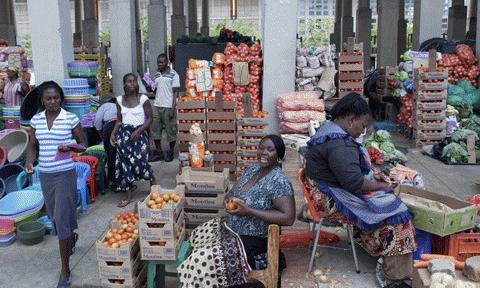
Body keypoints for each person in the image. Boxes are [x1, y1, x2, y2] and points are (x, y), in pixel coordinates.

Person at [304, 93, 416, 288]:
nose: (362, 131)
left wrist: (373, 178)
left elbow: (348, 173)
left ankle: (382, 251)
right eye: (362, 126)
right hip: (328, 199)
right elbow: (353, 182)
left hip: (323, 189)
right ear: (351, 119)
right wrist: (380, 185)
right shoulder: (339, 143)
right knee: (399, 215)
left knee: (385, 201)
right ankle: (398, 279)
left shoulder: (329, 132)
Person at [179, 135, 296, 288]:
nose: (263, 153)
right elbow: (232, 193)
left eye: (270, 149)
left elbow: (288, 218)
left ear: (278, 155)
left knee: (200, 260)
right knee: (196, 237)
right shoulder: (252, 170)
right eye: (261, 148)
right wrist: (228, 201)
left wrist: (250, 211)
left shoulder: (278, 181)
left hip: (252, 240)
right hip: (230, 228)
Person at [25, 81, 86, 288]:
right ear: (42, 100)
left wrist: (69, 147)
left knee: (60, 219)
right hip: (46, 177)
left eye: (56, 97)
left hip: (64, 176)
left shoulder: (70, 118)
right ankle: (72, 237)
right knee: (56, 220)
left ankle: (65, 270)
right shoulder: (36, 120)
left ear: (61, 98)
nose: (53, 101)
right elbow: (33, 146)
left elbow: (83, 145)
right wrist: (28, 162)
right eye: (49, 98)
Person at [111, 73, 157, 207]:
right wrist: (113, 134)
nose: (132, 83)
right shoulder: (119, 100)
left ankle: (152, 179)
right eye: (129, 81)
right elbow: (119, 120)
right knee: (124, 164)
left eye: (134, 81)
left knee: (140, 162)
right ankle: (129, 195)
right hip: (123, 136)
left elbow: (150, 118)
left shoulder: (143, 99)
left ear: (137, 84)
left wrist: (139, 131)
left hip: (139, 134)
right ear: (124, 84)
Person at [149, 53, 180, 162]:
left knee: (171, 130)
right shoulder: (157, 74)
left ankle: (170, 152)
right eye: (158, 62)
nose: (160, 64)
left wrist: (173, 108)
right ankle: (159, 152)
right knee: (155, 130)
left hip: (168, 106)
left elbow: (176, 92)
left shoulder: (174, 74)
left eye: (162, 62)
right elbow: (155, 90)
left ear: (167, 63)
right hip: (157, 105)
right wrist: (150, 84)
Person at [94, 96, 117, 189]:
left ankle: (113, 180)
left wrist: (101, 135)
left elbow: (98, 122)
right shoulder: (117, 105)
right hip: (120, 126)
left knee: (110, 154)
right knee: (119, 153)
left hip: (109, 126)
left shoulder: (103, 107)